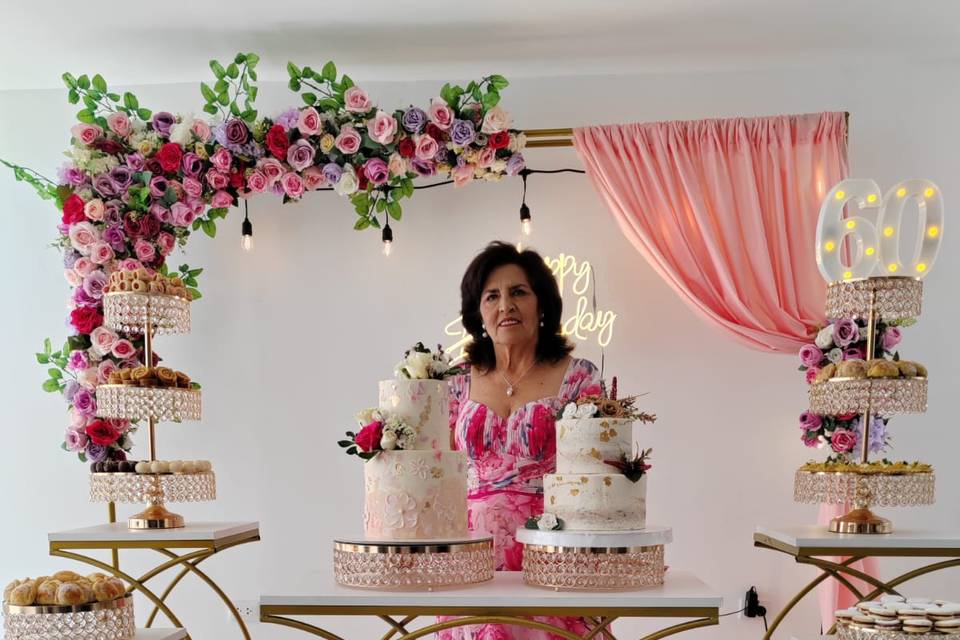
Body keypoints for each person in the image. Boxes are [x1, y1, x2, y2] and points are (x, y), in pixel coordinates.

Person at [440, 241, 603, 640]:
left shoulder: (578, 376)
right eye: (491, 296)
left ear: (542, 304)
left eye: (518, 292)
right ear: (478, 312)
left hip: (553, 557)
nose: (505, 306)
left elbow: (596, 469)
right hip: (472, 561)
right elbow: (438, 470)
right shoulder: (455, 380)